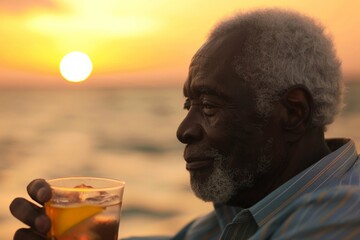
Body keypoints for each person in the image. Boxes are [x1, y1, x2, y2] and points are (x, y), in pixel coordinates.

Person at [9, 8, 360, 240]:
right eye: (188, 104)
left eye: (208, 106)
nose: (183, 131)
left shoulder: (345, 215)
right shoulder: (233, 221)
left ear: (293, 113)